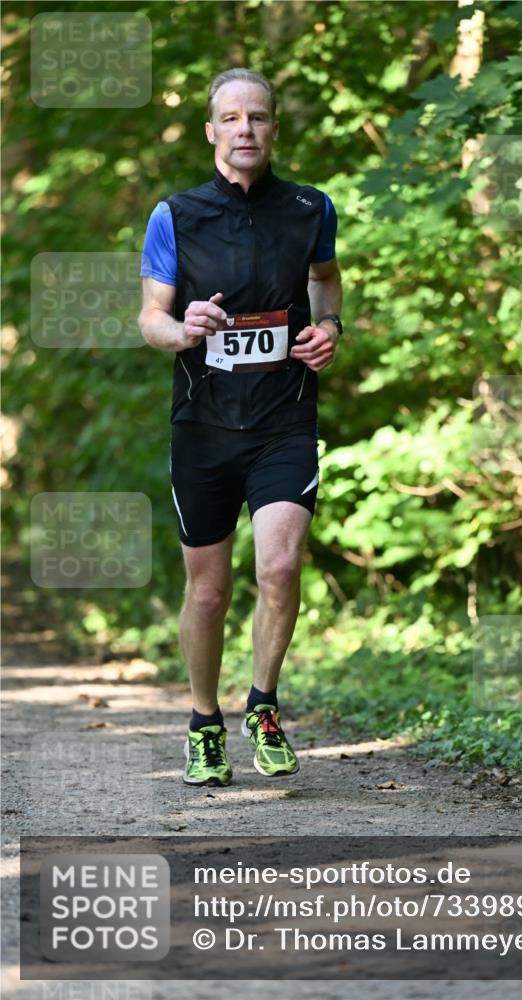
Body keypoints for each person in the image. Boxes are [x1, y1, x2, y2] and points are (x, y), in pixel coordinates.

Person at [138, 68, 343, 787]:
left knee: (280, 565)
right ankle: (202, 721)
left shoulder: (310, 208)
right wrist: (182, 327)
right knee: (209, 591)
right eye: (231, 118)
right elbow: (150, 320)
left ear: (274, 129)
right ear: (211, 131)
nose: (245, 129)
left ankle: (262, 703)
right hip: (204, 424)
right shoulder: (175, 215)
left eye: (257, 117)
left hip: (284, 418)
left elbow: (325, 280)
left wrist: (329, 327)